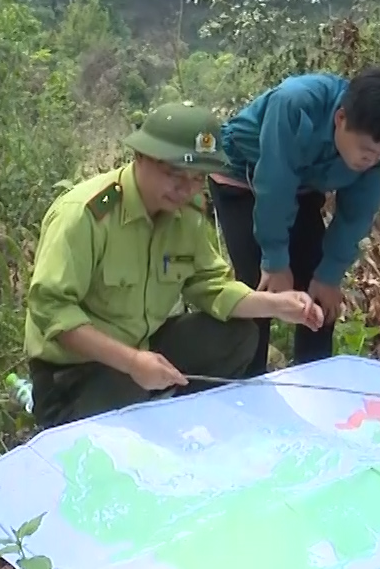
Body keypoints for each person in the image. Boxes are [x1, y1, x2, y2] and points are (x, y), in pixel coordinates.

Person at [23, 101, 327, 428]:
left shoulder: (187, 213)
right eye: (174, 174)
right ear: (141, 157)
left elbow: (211, 286)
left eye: (198, 179)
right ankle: (136, 411)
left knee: (238, 336)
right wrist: (133, 362)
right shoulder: (86, 214)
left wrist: (276, 305)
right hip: (73, 374)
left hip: (142, 351)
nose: (186, 189)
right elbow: (52, 309)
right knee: (126, 410)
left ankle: (166, 411)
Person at [209, 68, 380, 375]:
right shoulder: (295, 104)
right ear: (340, 119)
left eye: (379, 155)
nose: (370, 160)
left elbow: (358, 210)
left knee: (319, 289)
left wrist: (331, 273)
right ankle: (246, 385)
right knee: (260, 286)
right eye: (365, 150)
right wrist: (276, 260)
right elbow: (274, 183)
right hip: (242, 174)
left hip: (304, 184)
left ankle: (315, 381)